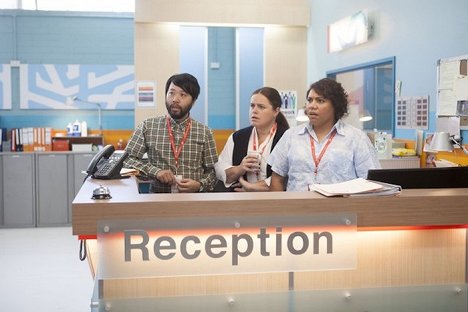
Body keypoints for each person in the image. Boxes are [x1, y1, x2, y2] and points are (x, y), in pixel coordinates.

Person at [268, 78, 381, 192]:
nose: (312, 106)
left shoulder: (356, 138)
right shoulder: (291, 136)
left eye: (320, 101)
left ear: (335, 105)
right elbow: (277, 179)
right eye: (309, 100)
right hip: (297, 207)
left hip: (342, 207)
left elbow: (371, 183)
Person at [124, 73, 218, 193]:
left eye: (183, 95)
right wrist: (155, 172)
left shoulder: (205, 132)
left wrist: (199, 185)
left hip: (193, 202)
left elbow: (213, 172)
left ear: (193, 101)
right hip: (158, 201)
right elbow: (127, 160)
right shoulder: (148, 126)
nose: (175, 99)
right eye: (171, 93)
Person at [215, 87, 289, 192]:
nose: (254, 111)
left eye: (261, 107)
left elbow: (288, 175)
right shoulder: (237, 137)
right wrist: (239, 169)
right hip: (241, 200)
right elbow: (219, 169)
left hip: (273, 201)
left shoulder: (287, 137)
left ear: (276, 111)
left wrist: (251, 187)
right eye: (252, 106)